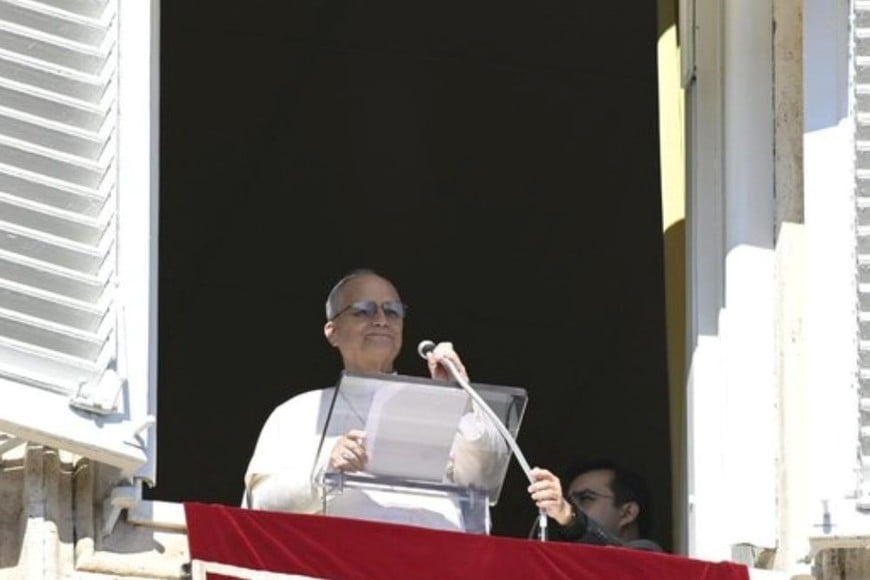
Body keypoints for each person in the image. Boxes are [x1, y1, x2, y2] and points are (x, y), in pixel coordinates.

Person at [242, 268, 507, 532]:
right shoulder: (297, 412)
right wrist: (327, 468)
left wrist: (462, 400)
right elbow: (260, 505)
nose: (381, 320)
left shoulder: (435, 405)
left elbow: (482, 478)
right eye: (363, 310)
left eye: (392, 311)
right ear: (332, 331)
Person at [527, 458, 663, 551]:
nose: (574, 506)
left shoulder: (650, 559)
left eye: (585, 498)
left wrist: (568, 515)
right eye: (570, 501)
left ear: (627, 513)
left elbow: (621, 559)